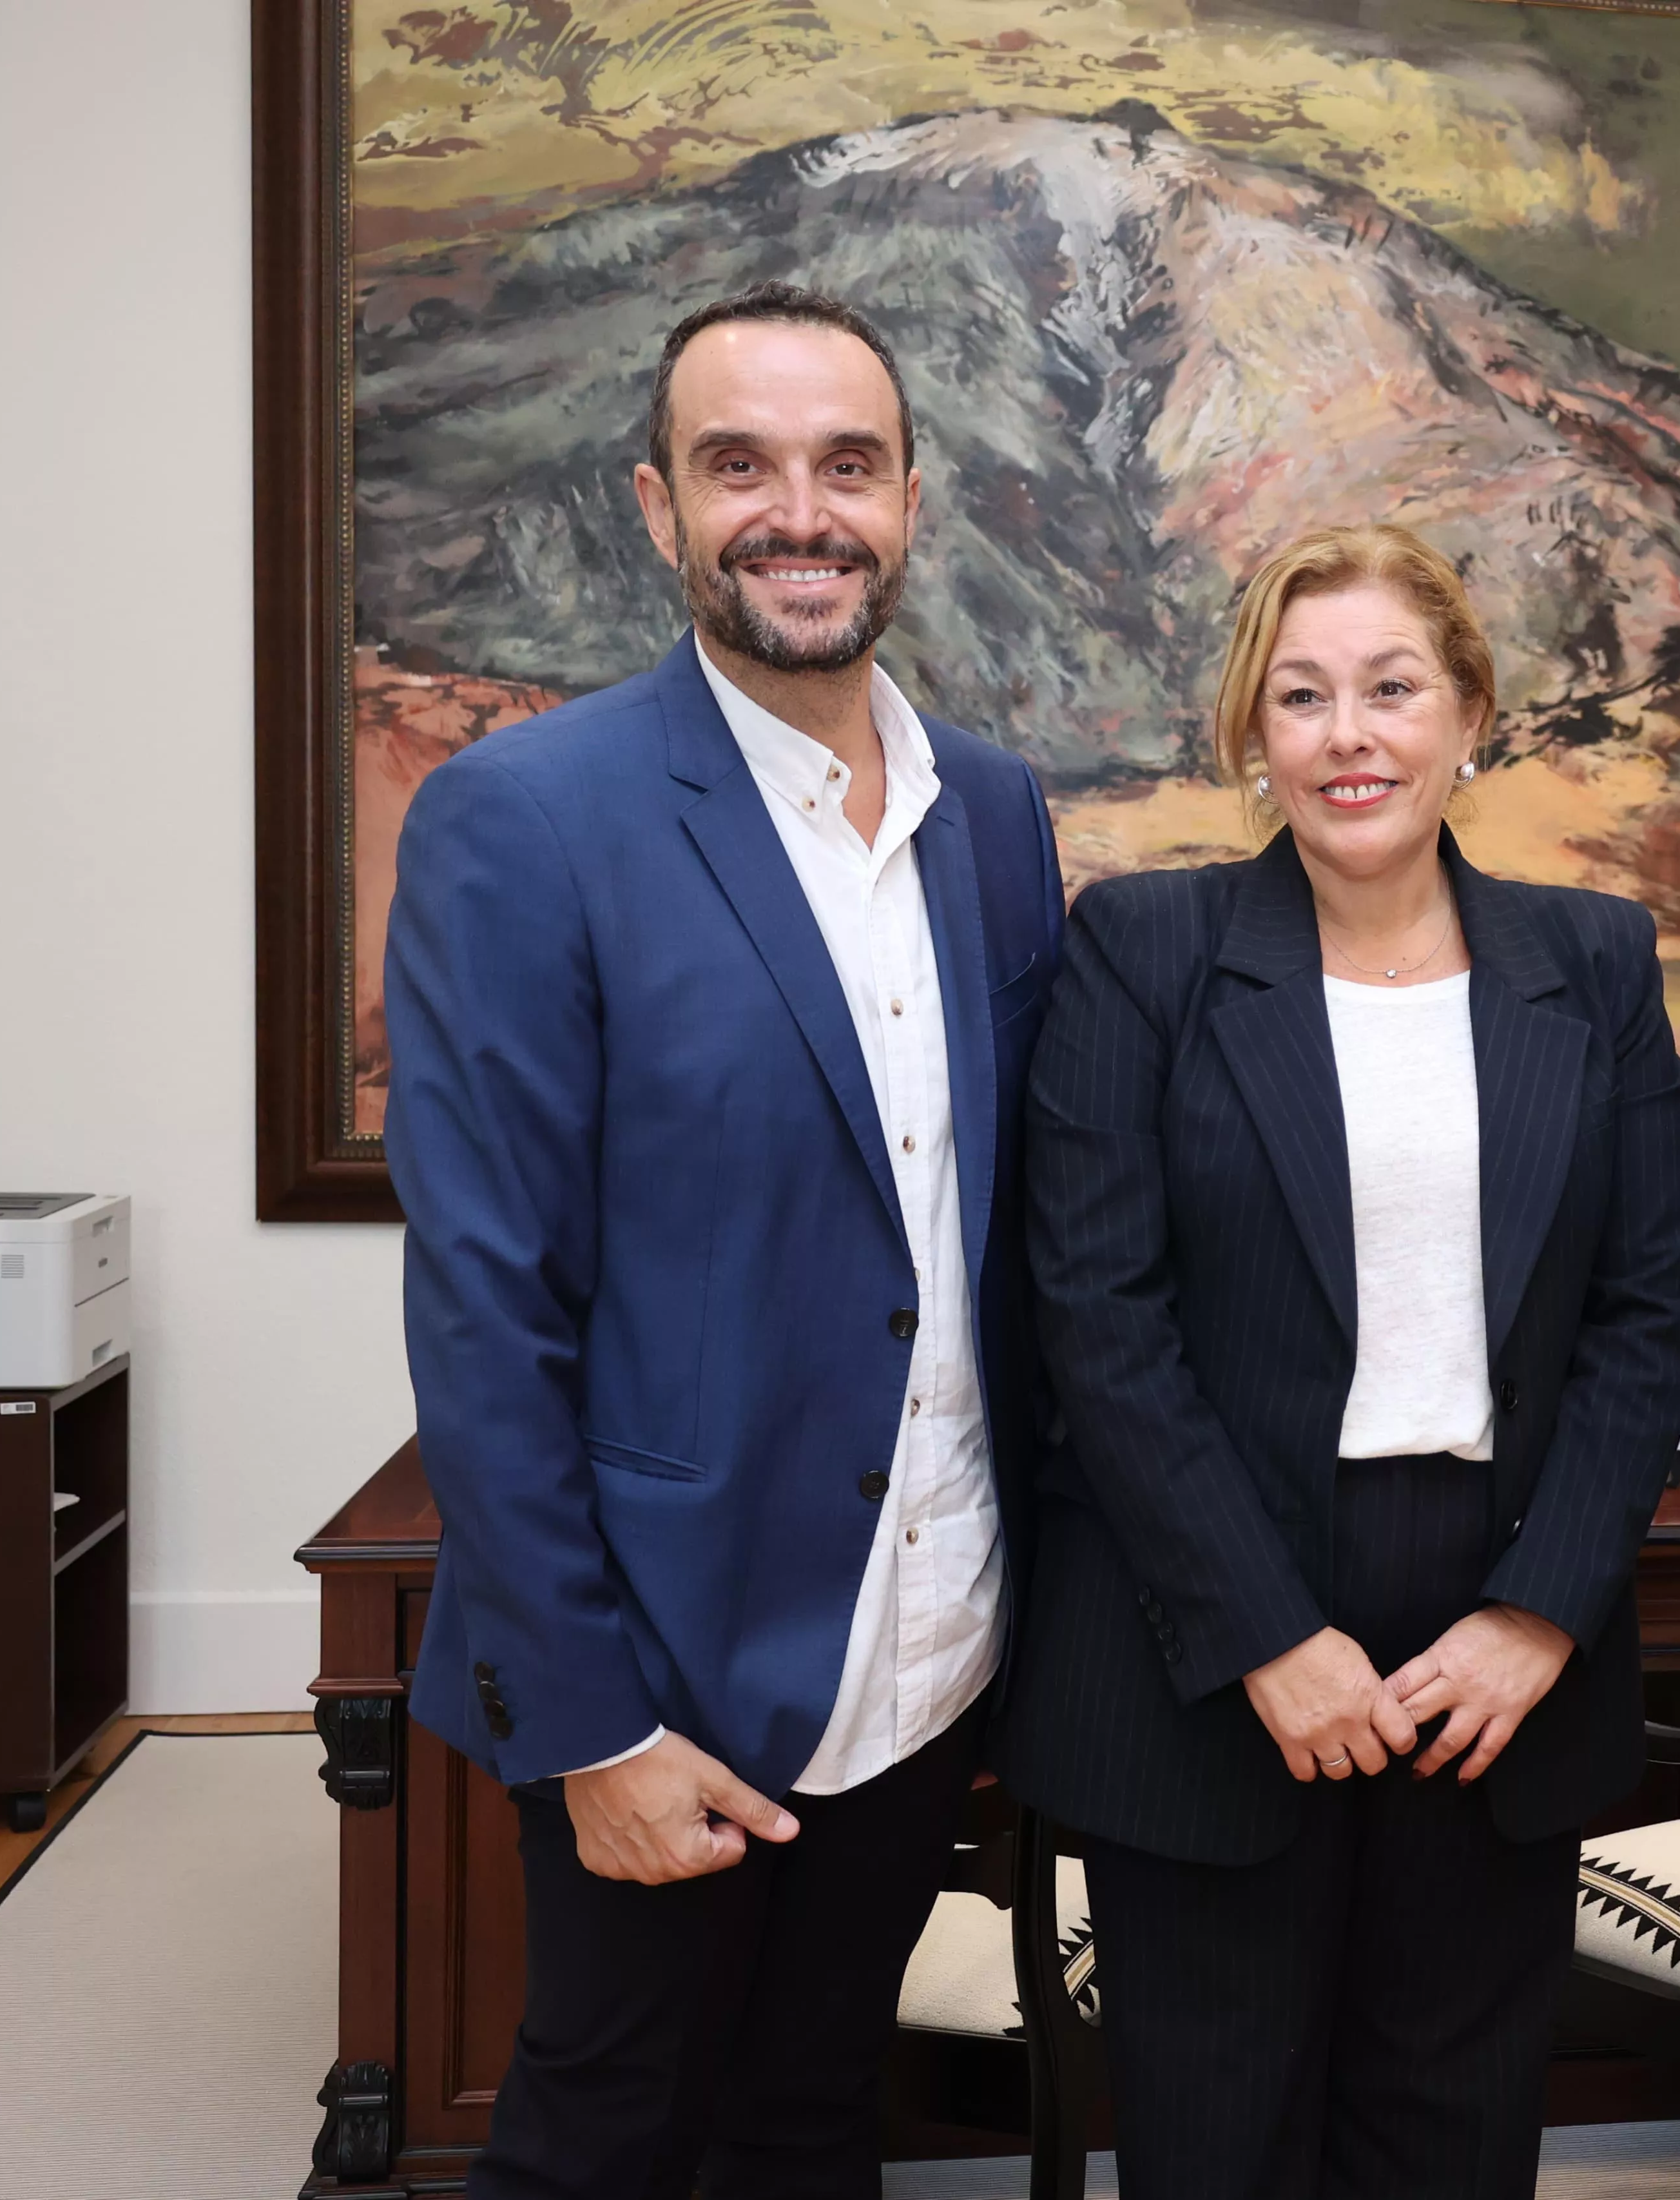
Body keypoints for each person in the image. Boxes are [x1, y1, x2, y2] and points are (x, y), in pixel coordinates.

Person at [383, 281, 1066, 2199]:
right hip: (666, 1663)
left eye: (849, 465)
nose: (801, 513)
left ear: (913, 498)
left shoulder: (997, 814)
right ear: (657, 505)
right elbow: (486, 1309)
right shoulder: (526, 818)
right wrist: (589, 1723)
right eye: (738, 465)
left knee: (816, 2119)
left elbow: (993, 1232)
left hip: (930, 1637)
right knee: (605, 2135)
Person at [1000, 523, 1680, 2200]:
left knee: (1452, 2137)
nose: (1349, 735)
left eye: (1392, 687)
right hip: (1212, 1630)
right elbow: (1098, 1315)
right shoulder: (1147, 951)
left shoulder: (1593, 964)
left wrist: (1541, 1615)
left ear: (1471, 714)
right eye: (1302, 695)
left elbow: (1641, 1313)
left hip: (1494, 1642)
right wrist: (1265, 1632)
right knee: (1217, 2141)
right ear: (1254, 732)